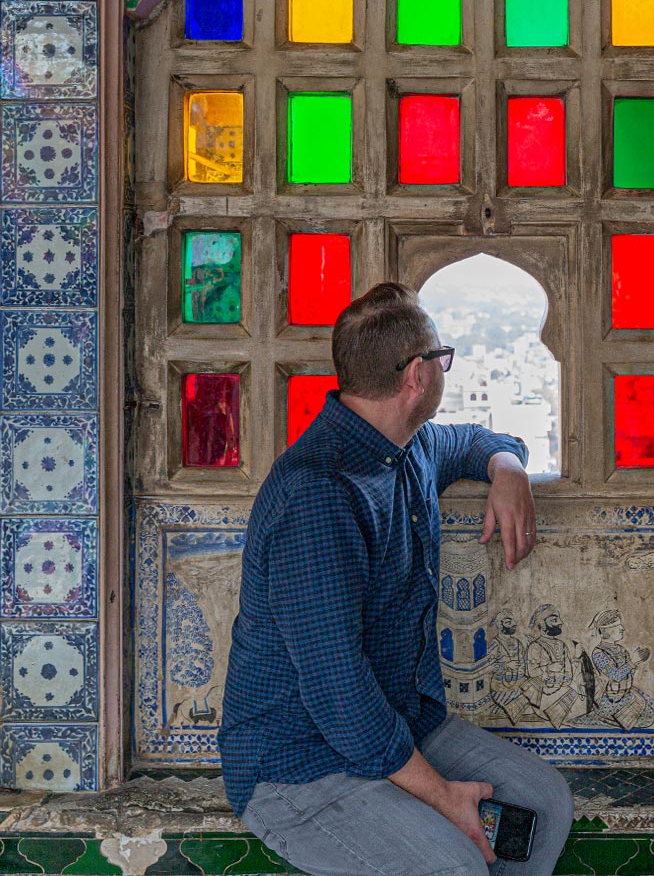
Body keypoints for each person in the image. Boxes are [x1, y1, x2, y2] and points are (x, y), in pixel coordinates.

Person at [218, 283, 574, 876]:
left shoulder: (403, 446)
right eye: (442, 359)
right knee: (453, 867)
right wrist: (441, 795)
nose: (443, 370)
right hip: (299, 763)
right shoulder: (318, 495)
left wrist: (507, 467)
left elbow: (468, 441)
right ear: (416, 375)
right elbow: (339, 697)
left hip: (396, 725)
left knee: (544, 805)